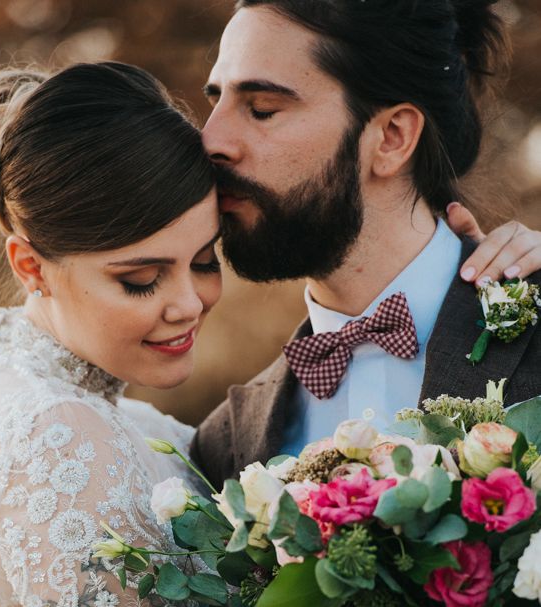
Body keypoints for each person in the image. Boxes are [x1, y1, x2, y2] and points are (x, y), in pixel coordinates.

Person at [191, 0, 541, 487]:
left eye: (262, 109)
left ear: (392, 137)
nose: (211, 140)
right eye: (215, 103)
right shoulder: (222, 445)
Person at [0, 62, 222, 607]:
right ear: (32, 267)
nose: (189, 304)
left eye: (206, 261)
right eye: (141, 280)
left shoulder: (110, 420)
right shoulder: (57, 437)